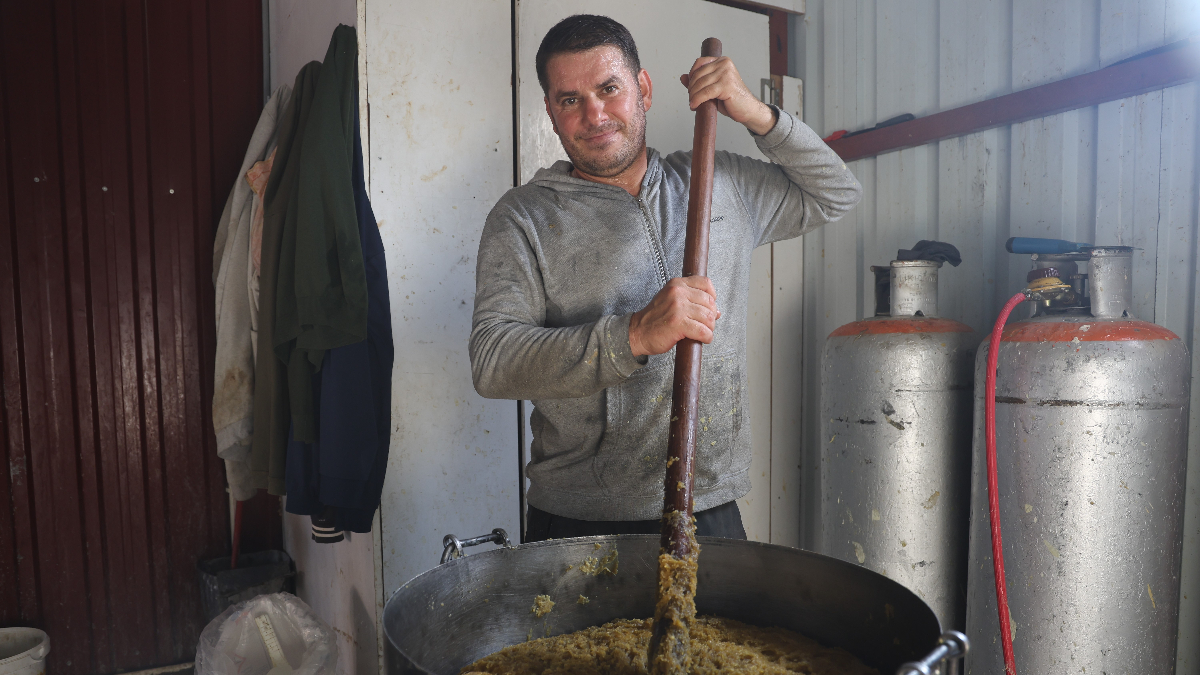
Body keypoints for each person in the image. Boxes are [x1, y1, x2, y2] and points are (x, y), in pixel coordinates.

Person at [469, 14, 861, 542]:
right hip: (579, 521)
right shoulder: (523, 218)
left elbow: (836, 192)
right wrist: (631, 336)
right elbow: (493, 361)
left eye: (610, 89)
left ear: (644, 88)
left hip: (712, 506)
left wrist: (756, 112)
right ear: (550, 112)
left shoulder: (723, 182)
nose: (595, 114)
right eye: (570, 99)